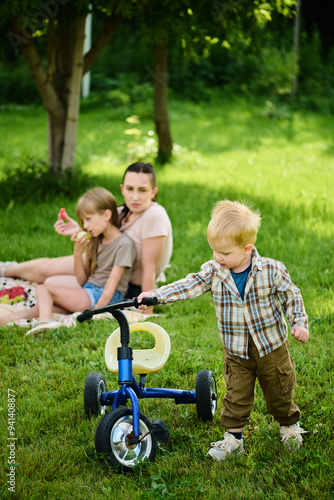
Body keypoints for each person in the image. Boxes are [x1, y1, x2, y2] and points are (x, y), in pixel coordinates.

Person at [137, 200, 309, 459]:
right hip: (236, 350)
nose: (218, 257)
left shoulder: (272, 270)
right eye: (214, 250)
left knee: (279, 390)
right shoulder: (215, 271)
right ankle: (233, 439)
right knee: (235, 394)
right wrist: (156, 295)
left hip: (271, 347)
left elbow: (292, 296)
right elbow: (188, 285)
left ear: (247, 248)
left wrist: (298, 322)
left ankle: (289, 426)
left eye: (225, 253)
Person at [0, 162, 173, 300]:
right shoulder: (122, 211)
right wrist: (80, 228)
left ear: (153, 192)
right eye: (130, 189)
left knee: (49, 280)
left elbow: (149, 268)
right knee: (46, 269)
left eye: (142, 190)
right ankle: (6, 270)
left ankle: (9, 271)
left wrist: (148, 310)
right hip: (102, 265)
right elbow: (106, 234)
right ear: (122, 189)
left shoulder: (153, 216)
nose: (135, 197)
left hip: (124, 284)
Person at [0, 188, 136, 335]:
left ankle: (45, 322)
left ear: (107, 214)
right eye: (83, 221)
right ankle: (6, 320)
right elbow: (82, 280)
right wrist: (77, 253)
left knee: (44, 290)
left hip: (104, 297)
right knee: (43, 306)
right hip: (90, 291)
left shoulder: (124, 244)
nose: (85, 225)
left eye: (88, 219)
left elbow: (110, 288)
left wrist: (96, 312)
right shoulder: (97, 240)